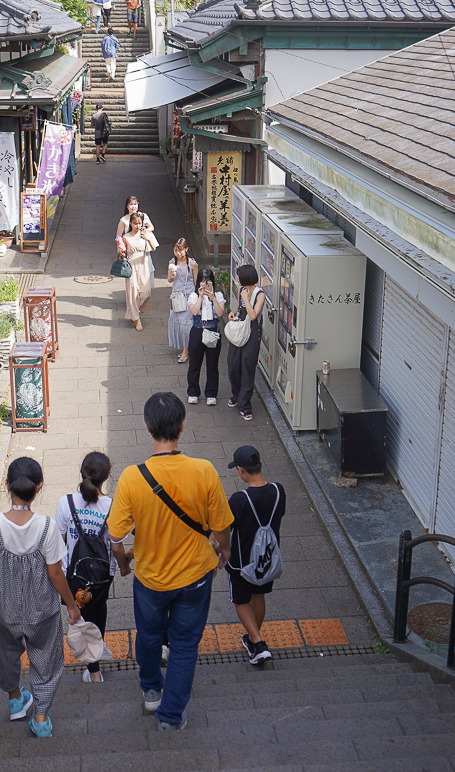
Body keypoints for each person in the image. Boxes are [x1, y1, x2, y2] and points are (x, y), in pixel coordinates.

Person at [108, 392, 234, 730]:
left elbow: (116, 537)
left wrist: (123, 565)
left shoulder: (133, 478)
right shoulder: (204, 471)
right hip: (196, 576)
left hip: (150, 579)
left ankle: (151, 692)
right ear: (182, 426)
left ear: (148, 428)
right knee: (184, 644)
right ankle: (171, 714)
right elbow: (221, 526)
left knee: (148, 637)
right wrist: (225, 552)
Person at [0, 457, 81, 738]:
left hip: (5, 606)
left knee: (6, 652)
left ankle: (14, 700)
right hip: (42, 609)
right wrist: (71, 605)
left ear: (6, 485)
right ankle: (41, 718)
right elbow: (56, 573)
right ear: (39, 487)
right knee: (46, 658)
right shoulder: (47, 527)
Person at [55, 453, 132, 683]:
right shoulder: (112, 506)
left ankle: (94, 669)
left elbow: (59, 543)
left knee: (82, 613)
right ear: (107, 476)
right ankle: (96, 660)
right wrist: (125, 565)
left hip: (74, 574)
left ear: (82, 473)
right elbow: (118, 546)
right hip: (101, 575)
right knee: (98, 609)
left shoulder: (65, 503)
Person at [225, 445, 286, 665]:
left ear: (241, 470)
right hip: (266, 561)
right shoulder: (278, 491)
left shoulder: (239, 499)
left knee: (241, 601)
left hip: (242, 564)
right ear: (260, 463)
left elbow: (225, 530)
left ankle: (259, 643)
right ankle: (252, 640)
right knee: (258, 597)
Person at [227, 264, 265, 421]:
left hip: (251, 334)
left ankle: (245, 405)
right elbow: (240, 310)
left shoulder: (259, 294)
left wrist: (245, 298)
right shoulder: (241, 290)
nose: (237, 279)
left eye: (239, 276)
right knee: (233, 366)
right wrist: (233, 313)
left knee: (248, 369)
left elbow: (253, 314)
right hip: (238, 331)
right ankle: (236, 395)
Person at [186, 267, 225, 406]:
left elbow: (220, 313)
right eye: (202, 281)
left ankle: (211, 393)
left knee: (212, 365)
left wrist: (213, 297)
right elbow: (194, 312)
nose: (204, 284)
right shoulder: (193, 296)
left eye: (207, 281)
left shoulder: (218, 296)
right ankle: (193, 392)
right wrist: (201, 297)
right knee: (194, 364)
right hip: (198, 330)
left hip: (213, 330)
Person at [122, 212, 155, 331]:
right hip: (131, 265)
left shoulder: (144, 234)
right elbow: (122, 252)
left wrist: (148, 238)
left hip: (143, 264)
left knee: (146, 292)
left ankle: (133, 310)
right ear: (130, 223)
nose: (137, 226)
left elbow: (154, 248)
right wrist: (121, 250)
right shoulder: (126, 237)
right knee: (133, 292)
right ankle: (137, 319)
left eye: (139, 223)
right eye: (135, 223)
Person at [167, 238, 197, 365]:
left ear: (186, 249)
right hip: (176, 298)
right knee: (178, 324)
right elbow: (169, 280)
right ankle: (186, 347)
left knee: (186, 325)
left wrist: (197, 298)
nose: (178, 253)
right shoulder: (172, 262)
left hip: (188, 298)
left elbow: (196, 281)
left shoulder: (192, 264)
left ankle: (186, 350)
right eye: (175, 250)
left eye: (180, 250)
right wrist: (172, 274)